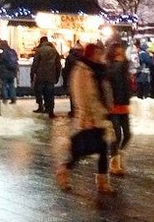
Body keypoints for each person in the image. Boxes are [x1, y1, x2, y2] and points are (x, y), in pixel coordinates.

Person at [56, 43, 115, 194]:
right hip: (89, 117)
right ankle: (64, 170)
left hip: (100, 114)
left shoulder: (99, 69)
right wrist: (85, 116)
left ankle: (103, 182)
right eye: (96, 53)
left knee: (103, 149)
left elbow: (105, 90)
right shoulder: (81, 70)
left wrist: (109, 106)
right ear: (90, 54)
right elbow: (79, 95)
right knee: (80, 151)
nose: (99, 55)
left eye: (100, 52)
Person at [105, 43, 132, 176]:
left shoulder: (124, 67)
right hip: (113, 104)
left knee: (127, 134)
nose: (120, 53)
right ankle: (114, 164)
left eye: (122, 51)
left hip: (123, 104)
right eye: (118, 52)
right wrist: (120, 63)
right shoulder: (111, 67)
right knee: (116, 135)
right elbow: (112, 80)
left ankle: (117, 157)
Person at [30, 36, 62, 118]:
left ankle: (40, 106)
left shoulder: (39, 50)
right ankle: (50, 110)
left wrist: (32, 74)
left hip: (40, 75)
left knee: (39, 92)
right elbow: (58, 65)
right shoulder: (54, 51)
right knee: (50, 93)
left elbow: (35, 64)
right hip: (51, 76)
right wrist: (57, 76)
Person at [62, 43, 83, 117]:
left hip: (71, 77)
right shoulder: (83, 56)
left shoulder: (70, 57)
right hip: (80, 78)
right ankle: (79, 110)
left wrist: (65, 80)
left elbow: (66, 69)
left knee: (73, 95)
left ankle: (73, 111)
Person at [0, 40, 19, 104]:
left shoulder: (3, 54)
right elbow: (16, 60)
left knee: (3, 85)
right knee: (11, 84)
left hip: (4, 72)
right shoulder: (13, 51)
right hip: (12, 71)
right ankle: (13, 98)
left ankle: (5, 98)